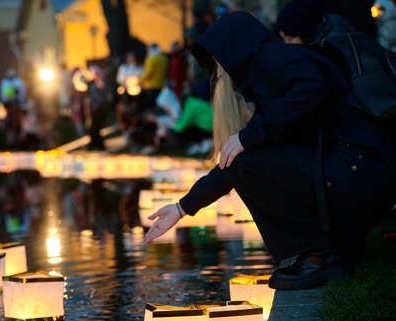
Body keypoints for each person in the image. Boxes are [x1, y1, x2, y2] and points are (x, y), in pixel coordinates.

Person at [145, 11, 396, 290]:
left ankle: (322, 253)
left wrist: (249, 135)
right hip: (359, 168)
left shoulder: (273, 58)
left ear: (233, 47)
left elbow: (312, 85)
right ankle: (332, 249)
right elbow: (234, 161)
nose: (216, 70)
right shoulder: (266, 80)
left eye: (216, 59)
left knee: (245, 160)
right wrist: (183, 207)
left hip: (360, 169)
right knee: (244, 159)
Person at [277, 0, 354, 46]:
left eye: (290, 39)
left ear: (304, 32)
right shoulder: (314, 39)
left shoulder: (333, 42)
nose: (286, 43)